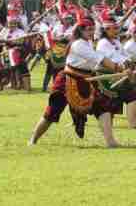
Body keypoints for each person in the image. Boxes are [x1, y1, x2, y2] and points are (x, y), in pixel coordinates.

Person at [29, 15, 126, 148]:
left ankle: (111, 142)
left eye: (93, 29)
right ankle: (33, 139)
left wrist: (120, 68)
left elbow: (97, 64)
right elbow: (99, 58)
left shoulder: (88, 42)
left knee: (103, 108)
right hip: (67, 80)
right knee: (52, 112)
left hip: (86, 79)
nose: (91, 32)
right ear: (81, 30)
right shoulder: (78, 44)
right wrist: (117, 68)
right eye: (88, 30)